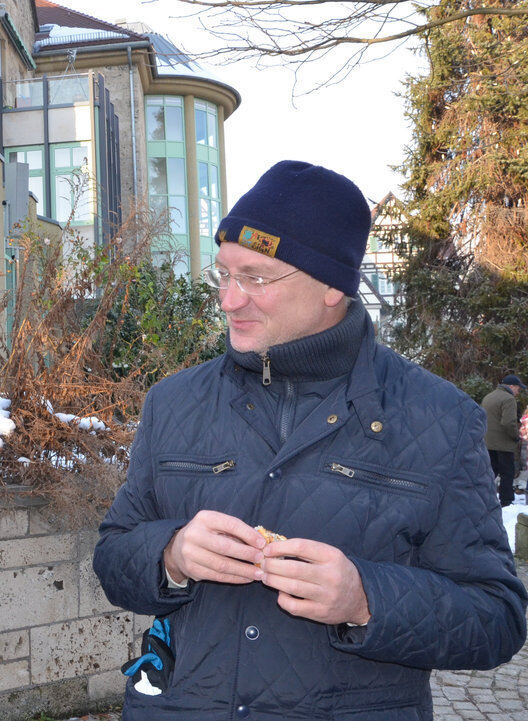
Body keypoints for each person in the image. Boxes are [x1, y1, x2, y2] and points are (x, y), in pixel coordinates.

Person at [93, 161, 528, 721]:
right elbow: (112, 558)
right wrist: (171, 554)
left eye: (256, 277)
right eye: (224, 273)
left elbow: (496, 619)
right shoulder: (174, 402)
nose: (229, 299)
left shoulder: (440, 418)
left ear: (332, 287)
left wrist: (366, 598)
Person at [482, 373, 526, 506]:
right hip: (503, 444)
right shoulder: (508, 399)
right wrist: (515, 436)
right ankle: (506, 501)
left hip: (487, 442)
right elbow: (508, 423)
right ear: (511, 386)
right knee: (507, 473)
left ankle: (482, 497)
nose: (518, 392)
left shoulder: (488, 397)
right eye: (518, 389)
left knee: (490, 472)